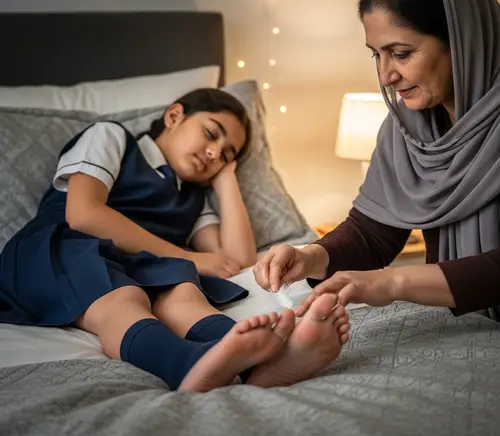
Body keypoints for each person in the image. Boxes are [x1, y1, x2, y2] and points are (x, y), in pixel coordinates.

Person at [0, 88, 350, 392]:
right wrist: (189, 256)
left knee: (184, 291)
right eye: (211, 134)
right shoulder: (112, 139)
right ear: (174, 116)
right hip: (61, 248)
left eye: (227, 153)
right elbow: (83, 213)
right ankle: (186, 364)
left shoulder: (190, 197)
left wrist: (226, 177)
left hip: (135, 264)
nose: (215, 153)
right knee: (126, 297)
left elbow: (236, 258)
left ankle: (257, 364)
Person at [254, 0, 500, 322]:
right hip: (470, 328)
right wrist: (309, 257)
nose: (386, 76)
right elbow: (373, 233)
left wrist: (394, 283)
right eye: (377, 55)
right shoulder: (408, 127)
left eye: (401, 54)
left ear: (463, 41)